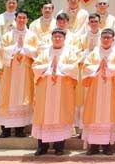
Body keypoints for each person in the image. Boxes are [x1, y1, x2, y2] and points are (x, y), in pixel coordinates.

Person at [31, 28, 79, 156]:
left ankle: (59, 147)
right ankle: (42, 147)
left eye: (60, 37)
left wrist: (59, 67)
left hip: (63, 91)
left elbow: (74, 68)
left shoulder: (70, 52)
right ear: (51, 38)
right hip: (45, 91)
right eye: (55, 37)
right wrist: (49, 67)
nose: (57, 39)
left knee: (61, 117)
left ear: (64, 39)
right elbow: (35, 67)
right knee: (43, 117)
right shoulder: (44, 52)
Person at [81, 28, 115, 155]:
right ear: (100, 39)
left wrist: (108, 67)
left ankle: (107, 146)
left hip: (111, 90)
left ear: (113, 39)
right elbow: (86, 67)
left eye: (108, 37)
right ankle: (94, 146)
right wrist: (98, 67)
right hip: (95, 90)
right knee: (94, 117)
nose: (106, 40)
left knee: (109, 118)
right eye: (104, 37)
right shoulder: (94, 53)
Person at [0, 9, 39, 138]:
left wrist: (25, 48)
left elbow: (37, 52)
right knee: (7, 98)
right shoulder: (8, 35)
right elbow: (2, 50)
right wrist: (15, 47)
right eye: (19, 17)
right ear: (15, 19)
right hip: (10, 72)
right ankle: (5, 130)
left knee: (22, 98)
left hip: (25, 72)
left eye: (24, 18)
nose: (21, 20)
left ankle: (20, 129)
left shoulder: (32, 36)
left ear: (27, 20)